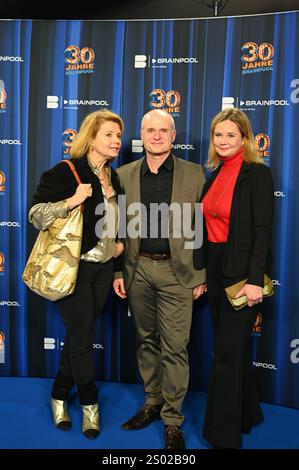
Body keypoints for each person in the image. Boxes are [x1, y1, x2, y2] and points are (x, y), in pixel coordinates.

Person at [113, 109, 206, 449]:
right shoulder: (123, 175)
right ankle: (152, 402)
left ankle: (172, 419)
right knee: (145, 340)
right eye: (150, 130)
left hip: (177, 273)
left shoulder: (195, 174)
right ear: (141, 134)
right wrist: (116, 271)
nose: (156, 136)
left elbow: (204, 229)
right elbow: (115, 229)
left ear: (173, 135)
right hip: (137, 270)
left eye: (163, 130)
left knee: (175, 348)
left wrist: (200, 274)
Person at [29, 109, 124, 439]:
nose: (116, 141)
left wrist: (118, 248)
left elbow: (115, 224)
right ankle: (89, 404)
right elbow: (36, 215)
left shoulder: (115, 178)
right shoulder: (67, 172)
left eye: (118, 136)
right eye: (109, 135)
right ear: (91, 137)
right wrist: (70, 200)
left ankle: (58, 394)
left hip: (103, 271)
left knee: (78, 337)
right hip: (72, 270)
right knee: (82, 337)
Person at [194, 108, 274, 449]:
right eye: (218, 135)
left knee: (226, 354)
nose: (223, 141)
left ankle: (222, 436)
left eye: (230, 135)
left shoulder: (256, 174)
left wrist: (255, 279)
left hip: (242, 273)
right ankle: (248, 414)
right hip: (215, 267)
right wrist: (203, 274)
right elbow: (207, 227)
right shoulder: (214, 174)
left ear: (244, 138)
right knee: (236, 351)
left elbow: (261, 230)